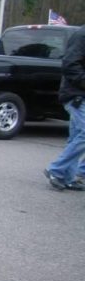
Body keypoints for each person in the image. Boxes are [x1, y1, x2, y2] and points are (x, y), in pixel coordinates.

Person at [45, 24, 85, 191]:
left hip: (79, 94)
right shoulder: (82, 36)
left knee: (76, 135)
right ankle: (56, 169)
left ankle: (66, 176)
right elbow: (69, 64)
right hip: (76, 95)